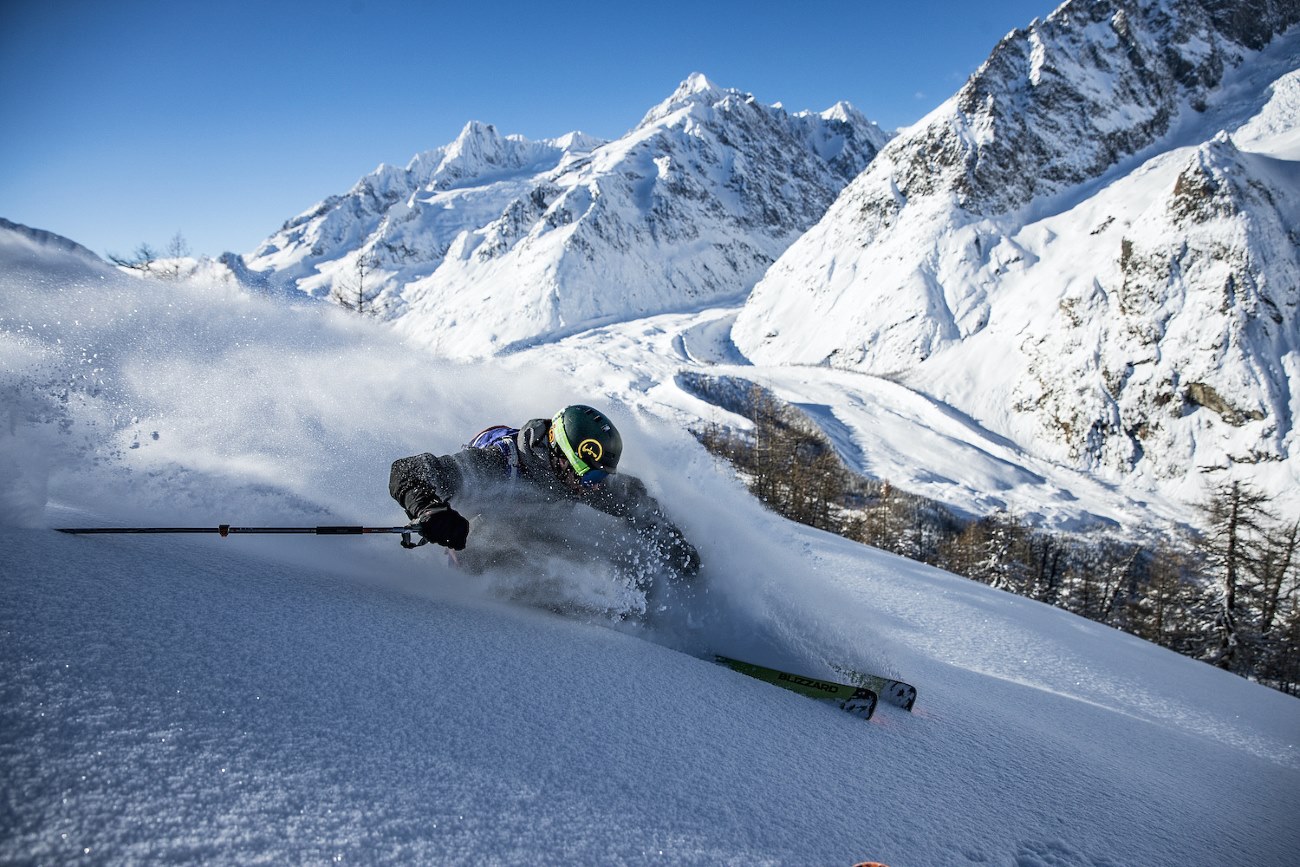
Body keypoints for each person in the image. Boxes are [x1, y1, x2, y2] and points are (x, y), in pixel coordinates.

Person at [389, 404, 701, 580]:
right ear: (560, 454)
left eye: (600, 476)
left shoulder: (580, 481)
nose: (593, 484)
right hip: (475, 549)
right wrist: (431, 510)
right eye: (588, 474)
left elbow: (636, 501)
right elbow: (408, 471)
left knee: (611, 562)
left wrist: (673, 545)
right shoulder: (496, 466)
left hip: (535, 536)